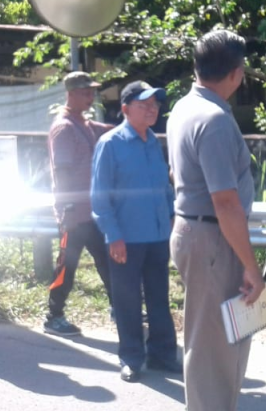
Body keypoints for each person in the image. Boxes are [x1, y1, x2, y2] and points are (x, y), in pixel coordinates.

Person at [168, 29, 265, 411]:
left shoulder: (183, 107)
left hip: (194, 230)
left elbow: (177, 175)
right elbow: (225, 203)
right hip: (212, 237)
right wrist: (250, 266)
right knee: (218, 348)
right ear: (236, 74)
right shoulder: (214, 120)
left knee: (207, 338)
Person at [91, 80, 181, 382]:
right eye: (144, 105)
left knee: (159, 298)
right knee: (127, 301)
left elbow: (163, 185)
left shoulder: (153, 141)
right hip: (126, 238)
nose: (152, 110)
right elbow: (100, 196)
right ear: (126, 109)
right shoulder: (110, 144)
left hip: (157, 235)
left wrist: (171, 216)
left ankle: (162, 354)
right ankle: (131, 357)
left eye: (155, 104)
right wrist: (113, 235)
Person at [44, 71, 114, 337]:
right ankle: (53, 316)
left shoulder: (82, 123)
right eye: (85, 92)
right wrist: (67, 209)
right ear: (70, 94)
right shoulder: (64, 128)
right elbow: (61, 172)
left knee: (108, 261)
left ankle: (118, 307)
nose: (90, 96)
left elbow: (101, 129)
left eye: (92, 92)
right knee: (67, 266)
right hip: (73, 213)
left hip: (91, 211)